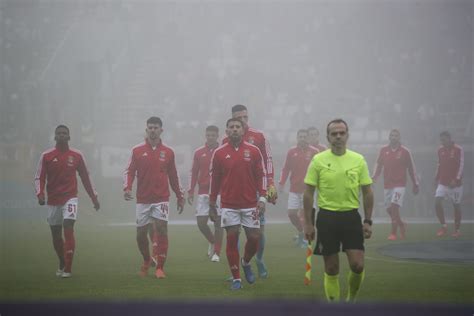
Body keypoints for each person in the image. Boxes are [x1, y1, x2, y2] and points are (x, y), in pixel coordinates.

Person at [303, 118, 374, 302]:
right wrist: (308, 224)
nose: (338, 136)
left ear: (347, 135)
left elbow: (367, 192)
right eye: (334, 134)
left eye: (342, 133)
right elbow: (308, 194)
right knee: (332, 268)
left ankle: (350, 302)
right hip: (327, 218)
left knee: (357, 265)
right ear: (328, 137)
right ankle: (334, 308)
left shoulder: (358, 160)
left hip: (351, 217)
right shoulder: (318, 160)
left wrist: (367, 220)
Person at [34, 125, 100, 278]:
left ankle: (68, 268)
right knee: (56, 235)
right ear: (55, 136)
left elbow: (86, 177)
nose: (62, 135)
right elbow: (39, 176)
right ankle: (62, 262)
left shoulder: (77, 155)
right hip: (53, 200)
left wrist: (94, 197)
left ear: (69, 137)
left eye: (65, 133)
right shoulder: (46, 156)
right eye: (59, 133)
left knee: (68, 225)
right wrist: (40, 194)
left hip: (70, 197)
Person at [209, 118, 267, 290]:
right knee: (232, 239)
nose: (234, 129)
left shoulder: (254, 151)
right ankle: (236, 279)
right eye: (231, 127)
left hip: (250, 203)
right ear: (226, 131)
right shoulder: (219, 153)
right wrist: (212, 203)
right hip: (228, 205)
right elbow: (215, 180)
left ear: (243, 130)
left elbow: (261, 176)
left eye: (237, 127)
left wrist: (262, 198)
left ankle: (246, 262)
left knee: (254, 238)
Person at [123, 116, 184, 279]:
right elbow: (129, 171)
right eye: (150, 127)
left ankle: (160, 268)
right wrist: (127, 187)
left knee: (162, 229)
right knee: (140, 234)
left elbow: (174, 176)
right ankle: (146, 260)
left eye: (155, 127)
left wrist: (180, 195)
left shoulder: (168, 152)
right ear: (146, 129)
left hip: (161, 198)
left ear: (161, 130)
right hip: (142, 199)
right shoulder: (137, 150)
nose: (152, 130)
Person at [222, 104, 275, 278]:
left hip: (256, 192)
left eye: (245, 117)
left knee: (259, 232)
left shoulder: (259, 136)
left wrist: (270, 185)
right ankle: (235, 269)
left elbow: (268, 161)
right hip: (235, 194)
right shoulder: (225, 141)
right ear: (233, 119)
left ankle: (258, 259)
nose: (243, 121)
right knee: (233, 231)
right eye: (239, 118)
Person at [372, 129, 419, 240]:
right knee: (389, 209)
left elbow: (412, 168)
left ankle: (393, 233)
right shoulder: (383, 150)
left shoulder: (405, 151)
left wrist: (415, 183)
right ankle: (401, 224)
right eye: (392, 135)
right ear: (389, 137)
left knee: (394, 207)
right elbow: (378, 165)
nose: (394, 137)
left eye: (396, 135)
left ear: (399, 138)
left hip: (400, 184)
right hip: (387, 184)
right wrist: (373, 178)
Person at [187, 125, 223, 262]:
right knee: (201, 223)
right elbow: (194, 172)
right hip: (203, 192)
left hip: (219, 192)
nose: (210, 137)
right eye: (208, 135)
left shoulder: (223, 151)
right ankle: (213, 241)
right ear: (205, 136)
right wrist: (191, 190)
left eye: (213, 135)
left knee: (219, 223)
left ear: (217, 136)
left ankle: (217, 253)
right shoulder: (198, 152)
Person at [278, 129, 319, 247]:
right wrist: (281, 183)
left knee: (308, 215)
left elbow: (319, 170)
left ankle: (307, 238)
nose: (302, 138)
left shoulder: (314, 152)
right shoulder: (291, 151)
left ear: (307, 138)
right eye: (300, 136)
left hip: (309, 190)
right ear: (297, 138)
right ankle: (301, 232)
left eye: (304, 137)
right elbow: (286, 168)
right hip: (294, 190)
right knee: (291, 214)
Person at [434, 131, 464, 238]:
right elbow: (439, 164)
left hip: (456, 184)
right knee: (437, 203)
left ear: (449, 139)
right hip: (443, 183)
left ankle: (457, 230)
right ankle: (443, 226)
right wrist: (436, 177)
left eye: (444, 139)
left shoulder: (458, 149)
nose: (442, 142)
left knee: (456, 206)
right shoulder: (440, 150)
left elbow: (461, 165)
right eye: (441, 140)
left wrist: (456, 179)